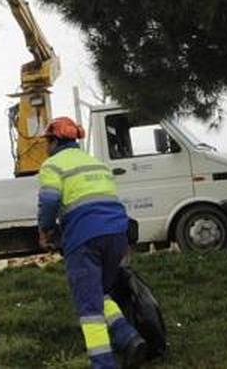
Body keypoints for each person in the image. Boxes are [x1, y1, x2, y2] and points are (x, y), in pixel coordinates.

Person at [38, 116, 147, 368]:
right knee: (99, 292)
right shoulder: (95, 162)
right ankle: (129, 338)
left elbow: (50, 200)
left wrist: (46, 230)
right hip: (117, 233)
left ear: (55, 141)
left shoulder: (52, 165)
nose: (46, 147)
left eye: (47, 141)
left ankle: (104, 363)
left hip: (84, 238)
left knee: (88, 307)